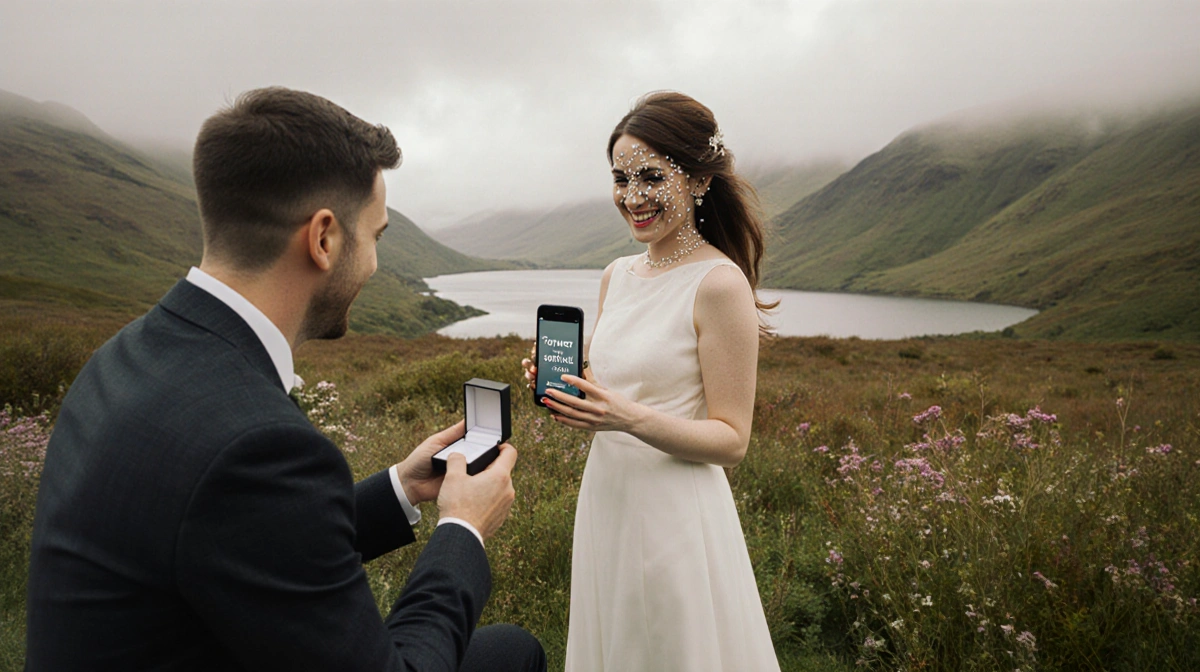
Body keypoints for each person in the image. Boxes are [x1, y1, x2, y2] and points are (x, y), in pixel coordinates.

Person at [25, 87, 545, 672]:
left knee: (503, 651)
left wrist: (402, 485)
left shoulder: (126, 355)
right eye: (375, 237)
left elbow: (246, 529)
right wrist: (463, 528)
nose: (374, 263)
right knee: (511, 653)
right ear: (323, 239)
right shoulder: (257, 446)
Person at [523, 91, 780, 670]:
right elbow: (620, 390)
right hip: (607, 497)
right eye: (620, 178)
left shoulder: (718, 284)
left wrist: (625, 416)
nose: (632, 197)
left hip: (674, 512)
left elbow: (732, 440)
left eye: (651, 177)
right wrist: (574, 389)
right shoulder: (617, 274)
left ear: (698, 181)